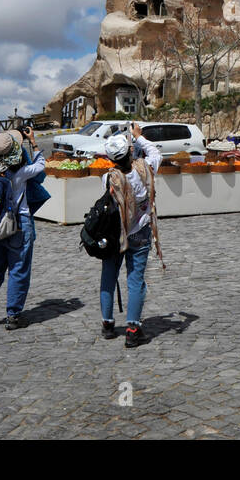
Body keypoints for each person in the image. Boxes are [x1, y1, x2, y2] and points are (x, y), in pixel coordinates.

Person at [0, 128, 45, 330]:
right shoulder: (21, 173)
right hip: (18, 224)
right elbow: (41, 165)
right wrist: (33, 143)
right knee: (18, 270)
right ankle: (13, 315)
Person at [99, 123, 162, 348]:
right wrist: (139, 136)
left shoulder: (108, 179)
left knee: (108, 276)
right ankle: (133, 329)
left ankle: (107, 324)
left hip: (115, 235)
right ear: (129, 151)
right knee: (135, 280)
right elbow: (156, 153)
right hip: (140, 233)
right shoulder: (145, 167)